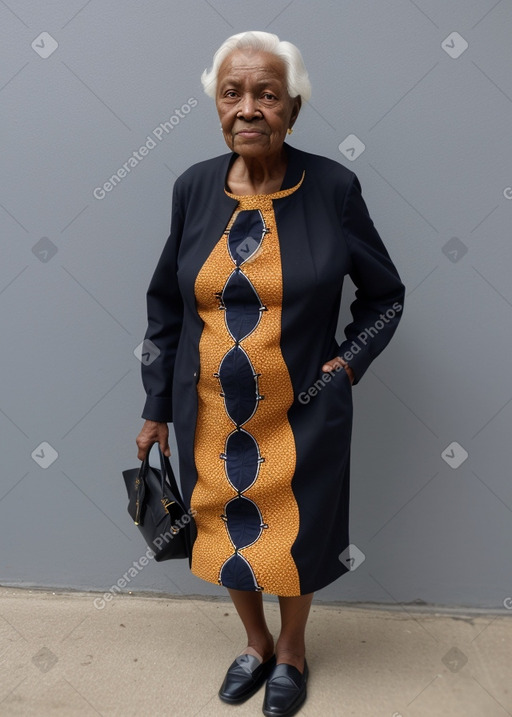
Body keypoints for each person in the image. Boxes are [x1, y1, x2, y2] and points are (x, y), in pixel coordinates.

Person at [136, 30, 405, 717]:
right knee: (223, 526)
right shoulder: (193, 188)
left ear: (293, 108)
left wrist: (348, 363)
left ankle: (291, 649)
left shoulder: (334, 188)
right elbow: (166, 301)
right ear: (216, 107)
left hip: (303, 411)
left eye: (267, 94)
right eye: (233, 94)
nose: (248, 108)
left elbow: (385, 293)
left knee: (296, 529)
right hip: (210, 412)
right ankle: (253, 643)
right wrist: (155, 404)